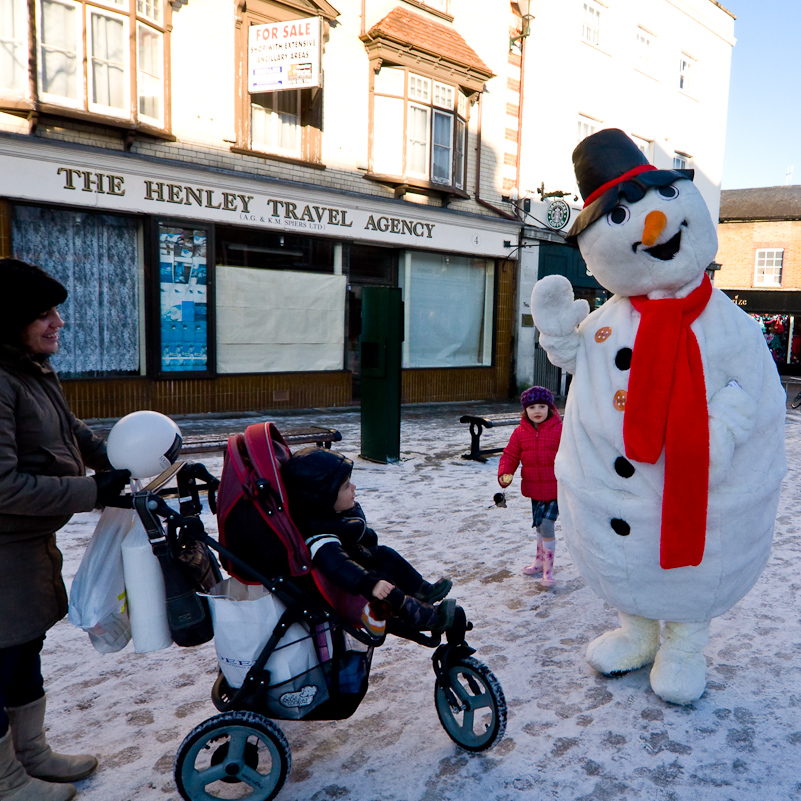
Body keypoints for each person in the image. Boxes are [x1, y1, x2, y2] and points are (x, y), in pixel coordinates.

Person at [0, 258, 130, 801]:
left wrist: (119, 458)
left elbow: (71, 433)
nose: (58, 323)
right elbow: (2, 484)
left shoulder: (30, 370)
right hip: (2, 549)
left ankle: (30, 756)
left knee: (23, 649)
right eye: (43, 314)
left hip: (26, 547)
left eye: (57, 311)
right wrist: (91, 492)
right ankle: (6, 781)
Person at [281, 447, 455, 633]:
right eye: (346, 486)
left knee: (386, 554)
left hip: (361, 561)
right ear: (325, 498)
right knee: (384, 587)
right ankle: (427, 617)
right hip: (355, 586)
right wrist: (369, 583)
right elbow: (339, 566)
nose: (353, 488)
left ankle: (422, 591)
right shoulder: (319, 536)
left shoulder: (328, 517)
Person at [498, 386, 562, 587]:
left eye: (542, 406)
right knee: (539, 526)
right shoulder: (520, 432)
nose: (537, 411)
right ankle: (539, 560)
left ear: (550, 408)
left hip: (556, 488)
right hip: (534, 488)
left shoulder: (560, 430)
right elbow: (510, 454)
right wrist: (505, 473)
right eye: (532, 407)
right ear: (525, 410)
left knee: (546, 525)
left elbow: (573, 454)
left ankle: (548, 571)